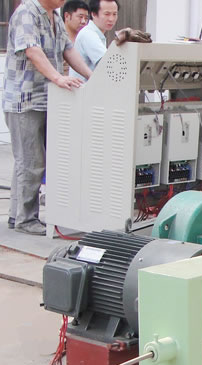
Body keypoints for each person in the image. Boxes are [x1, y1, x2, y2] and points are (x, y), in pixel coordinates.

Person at [3, 0, 92, 235]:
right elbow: (32, 51)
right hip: (25, 100)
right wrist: (58, 78)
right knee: (31, 163)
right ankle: (25, 220)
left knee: (28, 162)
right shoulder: (27, 13)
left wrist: (92, 76)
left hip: (48, 100)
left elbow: (68, 50)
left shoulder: (54, 17)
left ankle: (17, 215)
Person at [69, 0, 117, 81]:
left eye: (114, 14)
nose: (111, 19)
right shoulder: (88, 34)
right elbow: (108, 65)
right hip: (84, 87)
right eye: (107, 14)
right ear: (94, 14)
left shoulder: (96, 33)